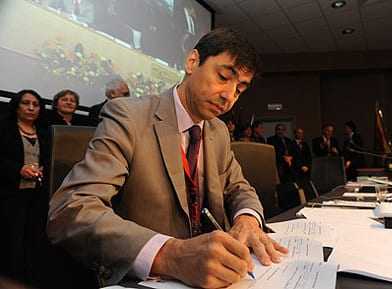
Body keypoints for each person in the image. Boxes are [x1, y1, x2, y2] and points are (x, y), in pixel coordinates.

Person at [47, 28, 288, 288]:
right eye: (223, 77)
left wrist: (248, 220)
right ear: (192, 62)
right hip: (148, 279)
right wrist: (171, 255)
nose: (229, 96)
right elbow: (71, 209)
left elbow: (239, 187)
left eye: (239, 89)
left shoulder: (217, 130)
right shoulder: (129, 116)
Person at [0, 90, 49, 285]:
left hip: (37, 196)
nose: (31, 108)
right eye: (25, 103)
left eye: (35, 104)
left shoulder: (45, 131)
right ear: (16, 105)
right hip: (8, 193)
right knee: (9, 237)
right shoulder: (4, 127)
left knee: (32, 238)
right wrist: (18, 169)